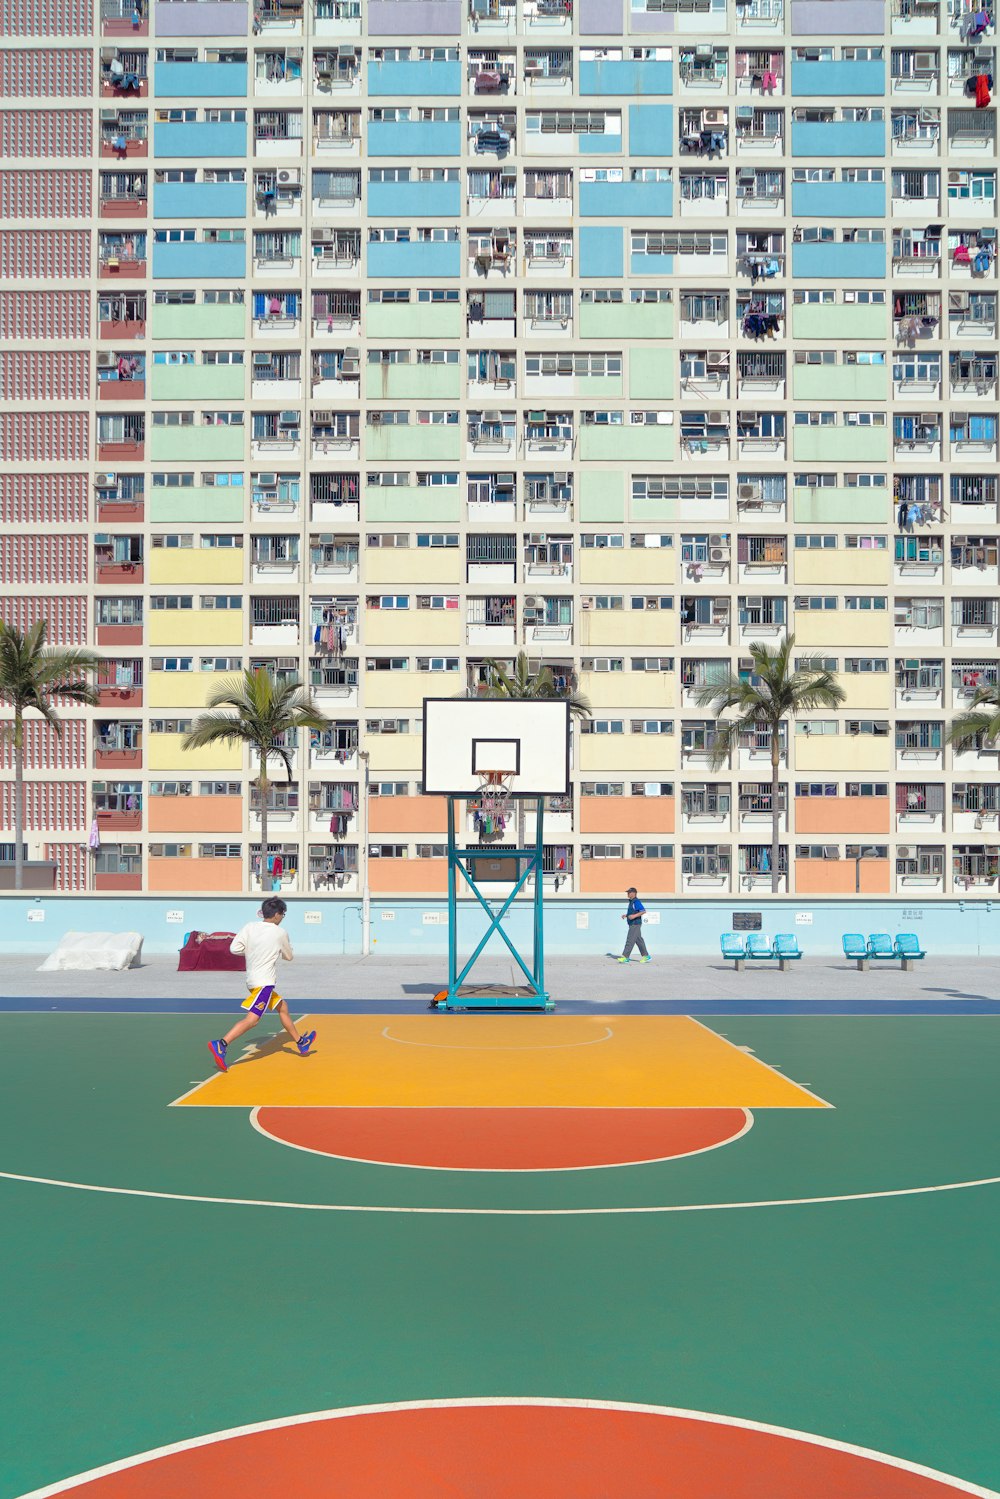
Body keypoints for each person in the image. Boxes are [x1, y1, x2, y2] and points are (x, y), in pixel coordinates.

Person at [207, 897, 315, 1072]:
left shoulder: (249, 927)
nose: (282, 918)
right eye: (283, 914)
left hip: (252, 981)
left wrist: (253, 951)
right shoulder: (280, 932)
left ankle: (301, 1042)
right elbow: (289, 957)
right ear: (277, 914)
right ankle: (221, 1044)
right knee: (253, 1020)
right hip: (264, 983)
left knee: (283, 1008)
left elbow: (234, 949)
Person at [618, 887, 652, 963]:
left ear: (633, 893)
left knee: (630, 940)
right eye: (627, 892)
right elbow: (633, 912)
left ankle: (625, 957)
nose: (627, 894)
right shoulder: (631, 902)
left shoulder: (636, 901)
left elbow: (643, 911)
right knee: (639, 940)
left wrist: (633, 916)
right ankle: (646, 956)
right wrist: (626, 915)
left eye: (629, 892)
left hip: (635, 924)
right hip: (633, 924)